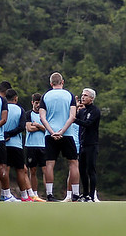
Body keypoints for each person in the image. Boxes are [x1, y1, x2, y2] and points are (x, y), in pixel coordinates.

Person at [39, 72, 79, 202]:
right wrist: (61, 131)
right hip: (67, 134)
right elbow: (72, 116)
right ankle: (76, 194)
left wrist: (52, 131)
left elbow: (42, 117)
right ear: (62, 82)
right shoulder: (69, 95)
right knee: (73, 163)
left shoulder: (45, 96)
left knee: (49, 164)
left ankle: (50, 195)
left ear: (51, 84)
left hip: (50, 134)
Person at [3, 88, 42, 201]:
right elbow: (21, 127)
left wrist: (5, 135)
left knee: (5, 168)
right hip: (16, 145)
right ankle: (25, 196)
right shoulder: (20, 110)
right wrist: (11, 133)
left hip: (3, 144)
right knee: (20, 170)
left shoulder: (3, 109)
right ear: (16, 98)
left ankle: (5, 194)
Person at [76, 88, 101, 202]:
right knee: (82, 170)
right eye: (82, 95)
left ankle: (92, 195)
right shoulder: (82, 111)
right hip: (83, 144)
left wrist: (74, 120)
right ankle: (85, 194)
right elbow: (76, 118)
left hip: (92, 144)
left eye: (86, 95)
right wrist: (75, 111)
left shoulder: (95, 111)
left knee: (91, 170)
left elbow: (88, 124)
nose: (83, 97)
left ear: (91, 98)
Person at [24, 93, 48, 200]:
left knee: (46, 170)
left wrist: (37, 125)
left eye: (40, 103)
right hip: (31, 146)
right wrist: (43, 127)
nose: (38, 105)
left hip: (44, 146)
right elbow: (29, 128)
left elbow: (49, 129)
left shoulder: (45, 114)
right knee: (32, 171)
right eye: (36, 103)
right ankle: (34, 194)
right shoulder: (28, 114)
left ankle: (49, 193)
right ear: (32, 102)